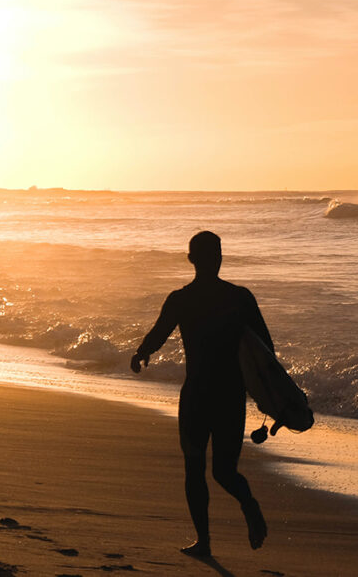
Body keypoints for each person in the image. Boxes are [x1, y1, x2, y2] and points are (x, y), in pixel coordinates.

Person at [131, 231, 270, 558]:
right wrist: (270, 394)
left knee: (194, 468)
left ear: (191, 259)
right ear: (220, 257)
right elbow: (265, 349)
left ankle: (204, 543)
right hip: (230, 396)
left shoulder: (181, 299)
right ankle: (248, 504)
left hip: (196, 396)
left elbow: (158, 333)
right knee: (224, 471)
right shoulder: (240, 298)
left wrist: (140, 354)